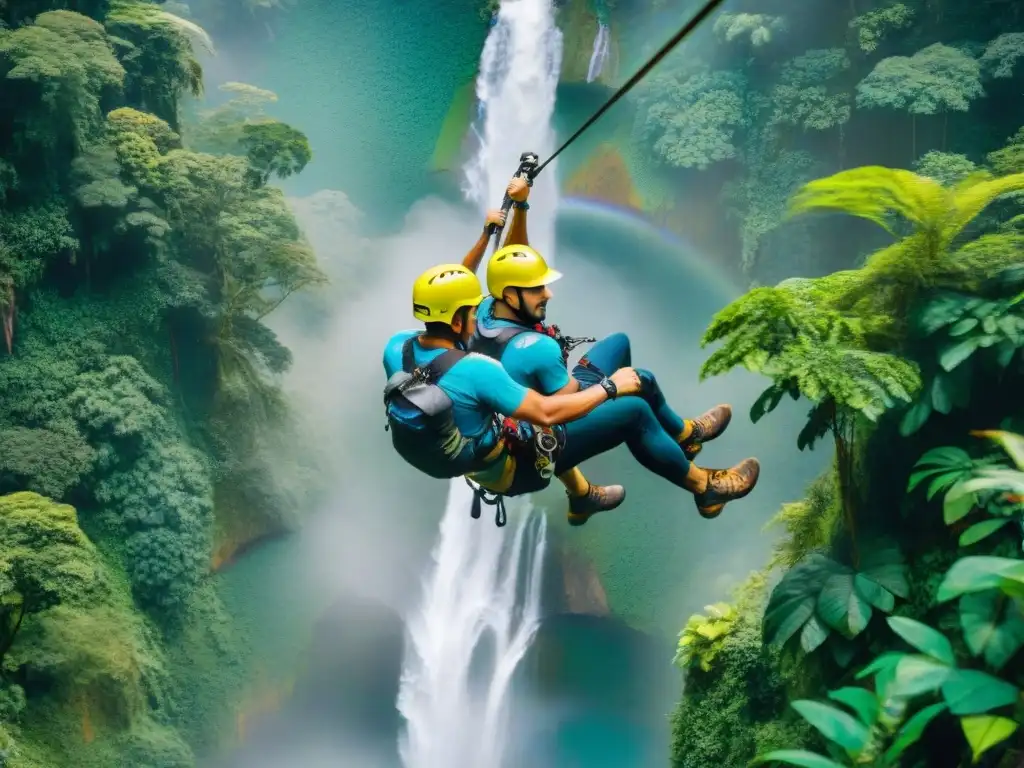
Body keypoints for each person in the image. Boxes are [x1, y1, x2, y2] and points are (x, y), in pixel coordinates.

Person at [462, 176, 761, 523]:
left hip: (508, 432)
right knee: (635, 406)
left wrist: (518, 210)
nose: (548, 294)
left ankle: (680, 437)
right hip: (528, 454)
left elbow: (503, 264)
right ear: (512, 297)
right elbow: (565, 408)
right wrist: (612, 387)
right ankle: (703, 486)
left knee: (619, 346)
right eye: (537, 290)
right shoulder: (536, 349)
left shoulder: (479, 313)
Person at [382, 263, 643, 522]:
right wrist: (610, 387)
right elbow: (546, 413)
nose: (477, 318)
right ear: (457, 320)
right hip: (518, 473)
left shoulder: (395, 347)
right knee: (632, 412)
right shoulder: (477, 369)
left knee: (511, 396)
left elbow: (441, 332)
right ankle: (677, 444)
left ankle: (582, 494)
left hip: (451, 455)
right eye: (474, 312)